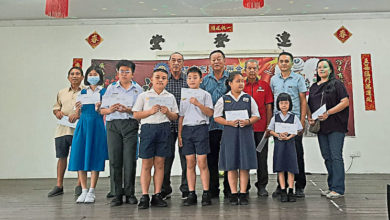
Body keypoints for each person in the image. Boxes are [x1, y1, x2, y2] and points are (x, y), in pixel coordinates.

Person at [133, 68, 179, 209]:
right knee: (146, 164)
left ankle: (157, 194)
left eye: (163, 78)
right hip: (148, 129)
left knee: (160, 164)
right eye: (157, 77)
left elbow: (175, 116)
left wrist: (168, 112)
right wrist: (149, 111)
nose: (160, 80)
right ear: (152, 79)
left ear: (167, 81)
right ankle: (145, 195)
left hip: (164, 129)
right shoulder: (144, 95)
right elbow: (135, 114)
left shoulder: (170, 97)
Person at [100, 60, 143, 206]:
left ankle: (130, 193)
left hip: (130, 125)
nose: (124, 74)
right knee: (115, 160)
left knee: (130, 160)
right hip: (113, 125)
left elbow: (140, 111)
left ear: (132, 73)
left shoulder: (138, 89)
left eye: (127, 71)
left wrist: (128, 110)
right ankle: (117, 194)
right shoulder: (111, 88)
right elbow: (102, 110)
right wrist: (110, 110)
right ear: (117, 72)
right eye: (121, 71)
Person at [214, 71, 260, 205]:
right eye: (237, 81)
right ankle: (234, 194)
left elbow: (256, 115)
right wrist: (228, 123)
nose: (241, 84)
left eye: (242, 81)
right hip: (230, 135)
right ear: (230, 83)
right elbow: (216, 117)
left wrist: (248, 121)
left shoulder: (248, 98)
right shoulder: (224, 99)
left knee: (244, 166)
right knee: (231, 165)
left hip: (246, 134)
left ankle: (243, 193)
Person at [307, 59, 349, 199]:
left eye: (325, 67)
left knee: (336, 156)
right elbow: (310, 106)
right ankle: (332, 187)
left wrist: (328, 113)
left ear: (331, 70)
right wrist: (311, 118)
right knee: (327, 157)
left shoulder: (336, 84)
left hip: (336, 125)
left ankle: (338, 189)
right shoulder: (313, 87)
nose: (322, 69)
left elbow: (345, 102)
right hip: (321, 127)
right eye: (319, 67)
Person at [68, 65, 108, 203]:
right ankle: (83, 190)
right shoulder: (82, 93)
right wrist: (77, 110)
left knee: (95, 156)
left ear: (100, 76)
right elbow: (77, 114)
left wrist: (98, 108)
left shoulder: (103, 92)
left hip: (96, 126)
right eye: (90, 74)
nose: (92, 77)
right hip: (83, 125)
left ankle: (92, 190)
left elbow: (105, 111)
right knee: (80, 155)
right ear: (86, 77)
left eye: (95, 74)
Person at [270, 51, 307, 198]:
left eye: (287, 61)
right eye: (281, 61)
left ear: (292, 63)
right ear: (278, 63)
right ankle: (282, 186)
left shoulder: (298, 79)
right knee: (281, 155)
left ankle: (299, 185)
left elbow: (303, 100)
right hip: (279, 122)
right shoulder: (273, 80)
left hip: (294, 121)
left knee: (296, 154)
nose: (284, 64)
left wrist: (302, 121)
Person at [177, 67, 214, 206]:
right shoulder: (184, 95)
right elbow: (181, 116)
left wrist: (198, 104)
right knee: (190, 162)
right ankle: (191, 193)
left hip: (201, 129)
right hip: (187, 130)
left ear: (200, 79)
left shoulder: (205, 94)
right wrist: (180, 134)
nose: (192, 80)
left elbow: (210, 113)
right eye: (189, 78)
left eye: (195, 77)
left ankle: (206, 192)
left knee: (202, 162)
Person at [48, 67, 82, 197]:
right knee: (61, 157)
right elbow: (56, 108)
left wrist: (78, 115)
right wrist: (58, 113)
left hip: (78, 130)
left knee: (79, 156)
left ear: (82, 77)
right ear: (68, 77)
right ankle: (59, 185)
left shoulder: (85, 92)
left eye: (78, 74)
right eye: (72, 74)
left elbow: (90, 110)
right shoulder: (61, 92)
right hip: (62, 130)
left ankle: (80, 184)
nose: (75, 76)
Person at [200, 50, 230, 198]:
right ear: (210, 62)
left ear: (225, 61)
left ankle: (229, 190)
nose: (216, 62)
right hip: (210, 126)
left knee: (228, 159)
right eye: (213, 59)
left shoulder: (230, 79)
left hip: (228, 126)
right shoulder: (205, 81)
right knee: (211, 159)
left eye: (219, 59)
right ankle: (213, 189)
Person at [243, 59, 274, 197]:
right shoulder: (240, 85)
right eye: (249, 68)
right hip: (244, 129)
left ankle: (262, 185)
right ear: (245, 70)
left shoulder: (264, 86)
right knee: (245, 158)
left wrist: (268, 126)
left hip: (261, 129)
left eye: (254, 68)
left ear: (258, 70)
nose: (251, 71)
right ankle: (246, 185)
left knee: (262, 158)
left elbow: (269, 107)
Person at [161, 52, 189, 200]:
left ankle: (186, 189)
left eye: (179, 61)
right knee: (166, 158)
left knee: (186, 159)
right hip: (166, 125)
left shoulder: (188, 81)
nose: (176, 63)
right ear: (169, 62)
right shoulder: (164, 80)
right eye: (174, 60)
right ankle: (165, 189)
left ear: (183, 63)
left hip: (185, 126)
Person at [268, 93, 303, 202]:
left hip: (290, 145)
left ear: (290, 104)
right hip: (279, 145)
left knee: (291, 168)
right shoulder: (276, 117)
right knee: (280, 168)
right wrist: (278, 135)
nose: (284, 105)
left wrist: (290, 136)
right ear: (278, 104)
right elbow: (270, 130)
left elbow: (298, 130)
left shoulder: (293, 117)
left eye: (286, 103)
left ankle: (291, 191)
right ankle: (283, 190)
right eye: (281, 103)